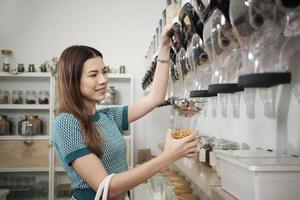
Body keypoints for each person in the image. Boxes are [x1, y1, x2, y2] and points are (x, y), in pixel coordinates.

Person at [52, 26, 199, 200]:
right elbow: (107, 187)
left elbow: (155, 97)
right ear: (73, 81)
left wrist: (164, 47)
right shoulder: (66, 123)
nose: (104, 80)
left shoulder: (106, 116)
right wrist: (168, 156)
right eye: (93, 75)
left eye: (104, 71)